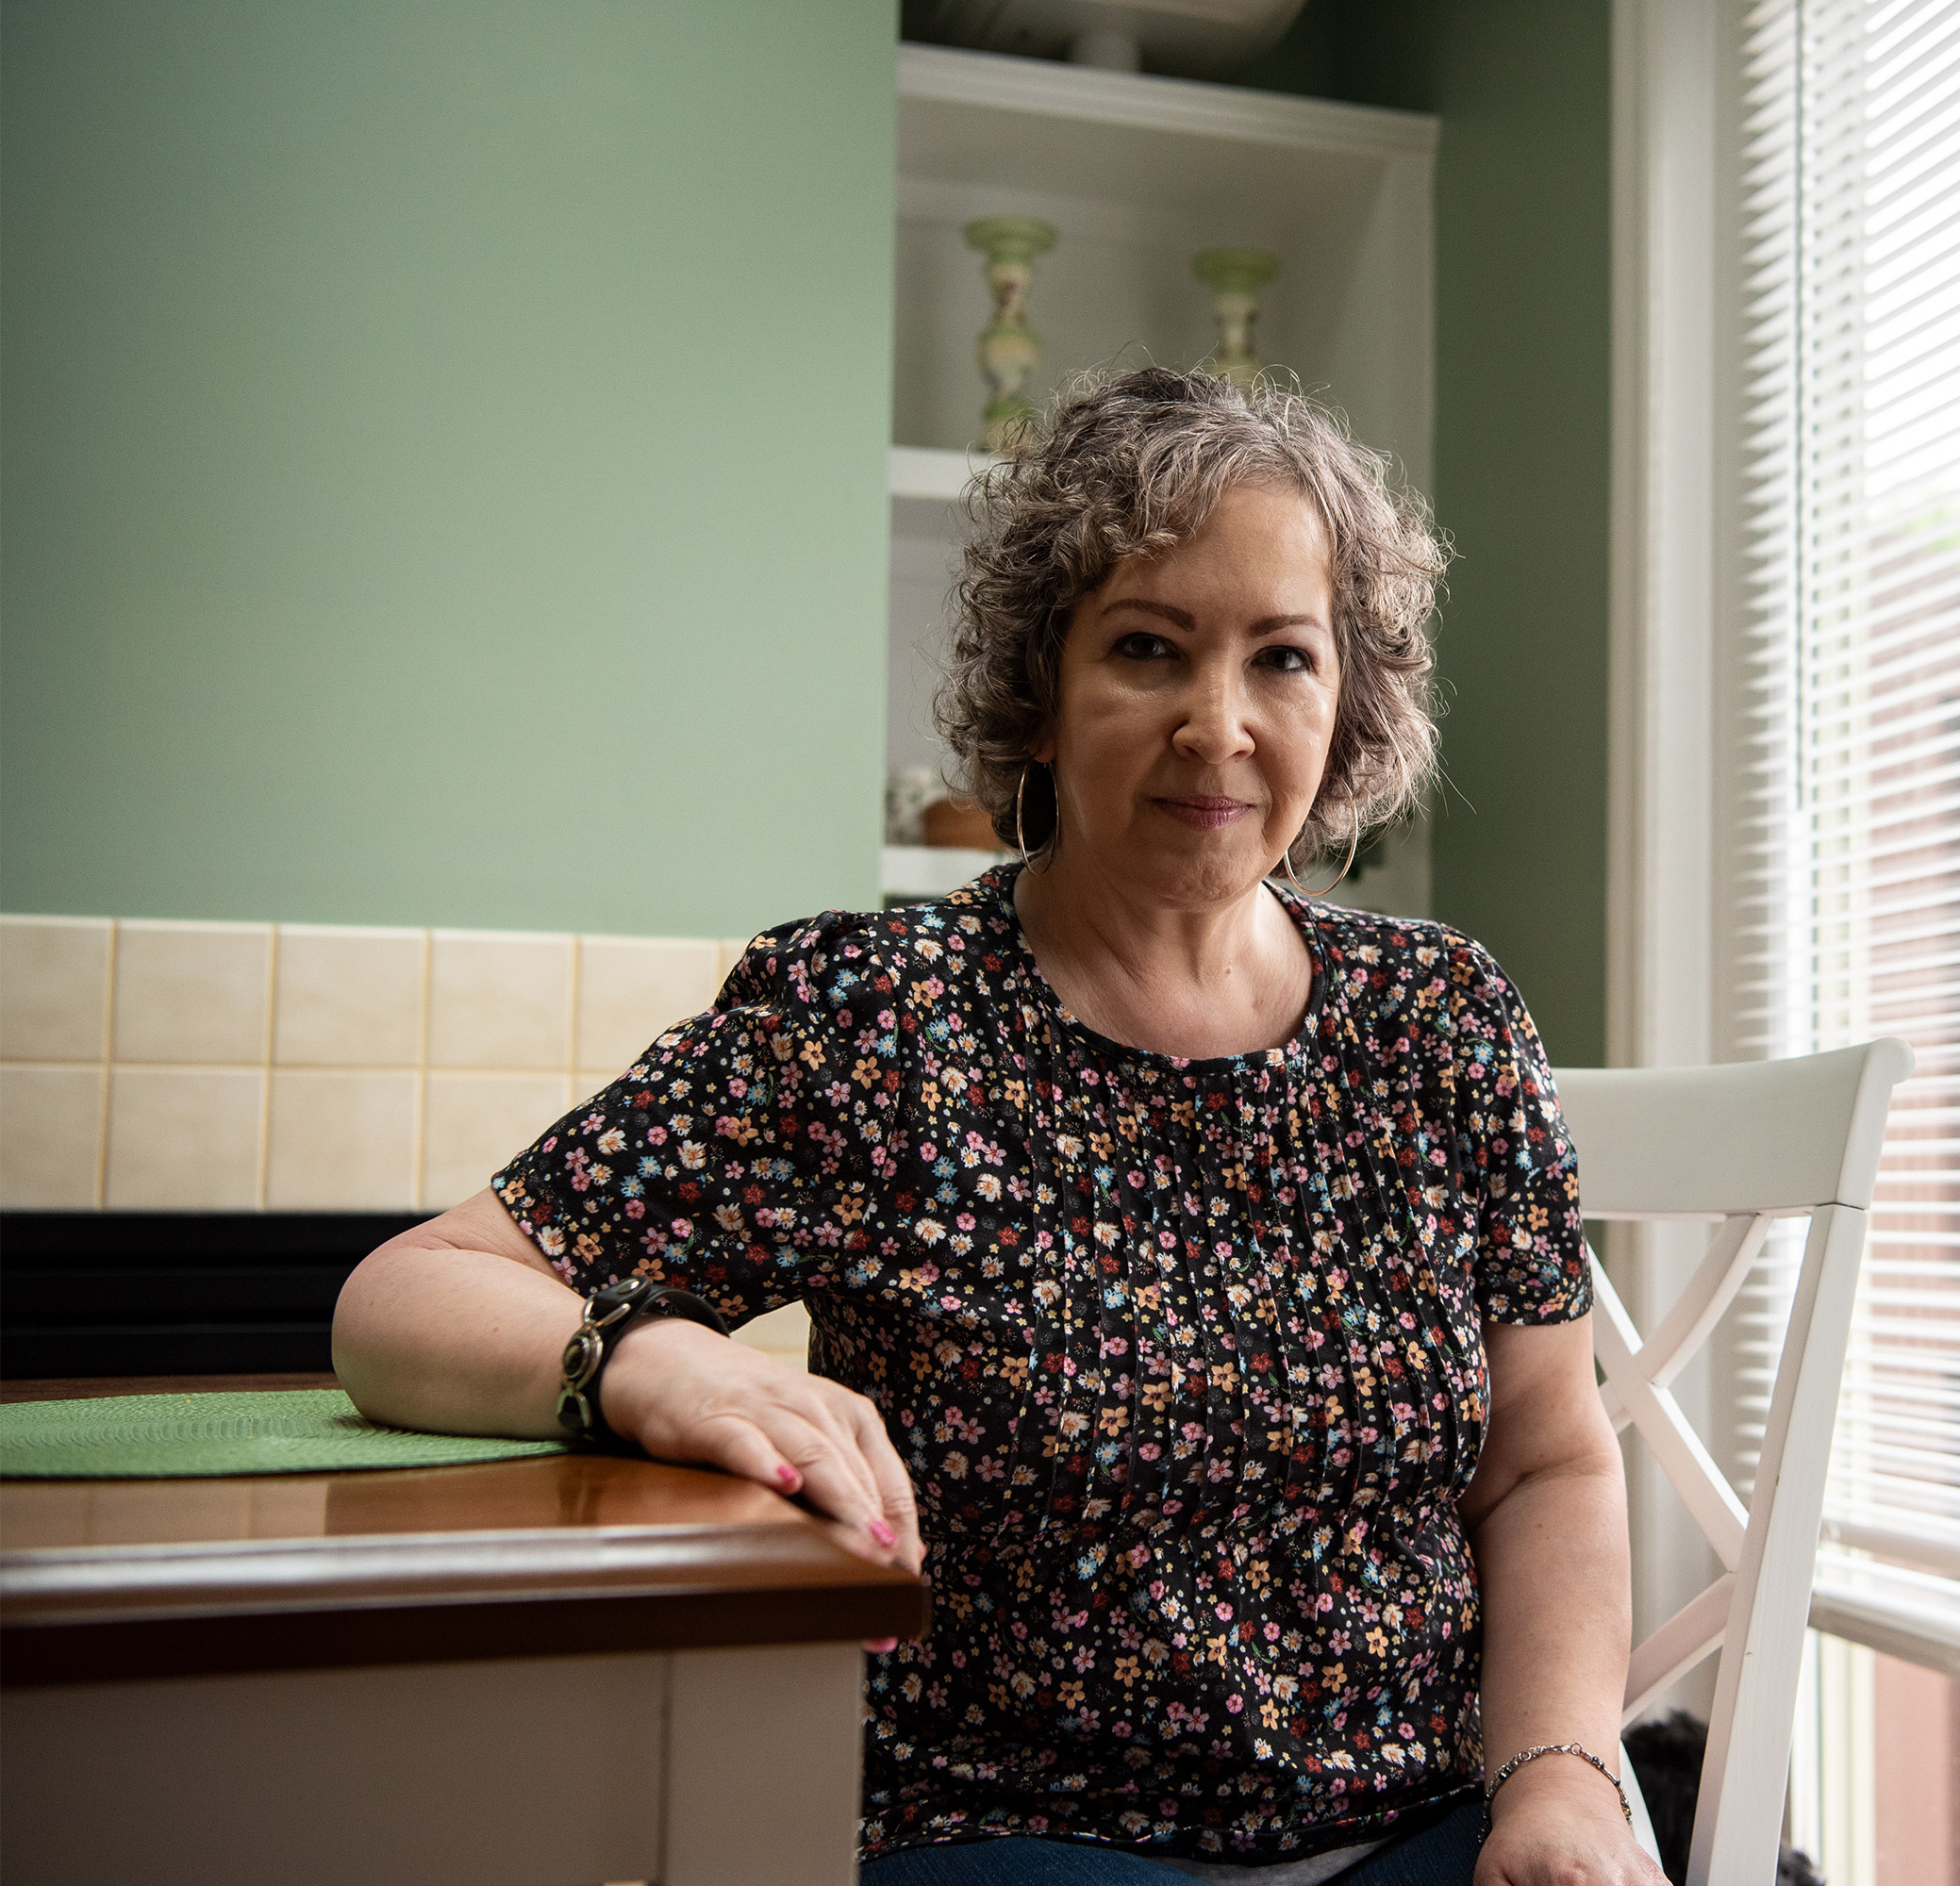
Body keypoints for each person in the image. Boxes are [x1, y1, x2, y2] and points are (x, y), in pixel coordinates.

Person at [334, 369, 1659, 1886]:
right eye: (1149, 649)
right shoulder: (869, 1021)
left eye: (1281, 658)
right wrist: (647, 1360)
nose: (1215, 727)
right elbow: (402, 1300)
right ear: (1040, 692)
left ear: (1346, 705)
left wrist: (1562, 1780)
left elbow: (1546, 1465)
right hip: (1010, 1835)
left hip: (1422, 1825)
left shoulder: (1447, 1022)